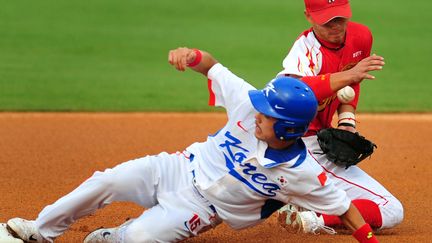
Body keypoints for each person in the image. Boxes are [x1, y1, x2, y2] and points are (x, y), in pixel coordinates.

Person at [2, 47, 381, 243]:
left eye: (268, 114)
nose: (258, 114)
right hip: (177, 167)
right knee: (107, 181)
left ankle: (114, 236)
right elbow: (214, 67)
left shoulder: (304, 174)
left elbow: (346, 209)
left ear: (287, 128)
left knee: (138, 238)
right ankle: (39, 230)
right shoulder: (250, 104)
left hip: (201, 209)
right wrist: (193, 57)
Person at [276, 0, 403, 235]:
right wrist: (347, 76)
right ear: (309, 16)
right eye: (327, 20)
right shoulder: (304, 53)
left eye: (340, 17)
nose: (336, 25)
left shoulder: (361, 36)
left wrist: (346, 120)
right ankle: (313, 217)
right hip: (293, 143)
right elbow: (295, 94)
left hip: (308, 144)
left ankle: (302, 196)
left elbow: (352, 83)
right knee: (391, 209)